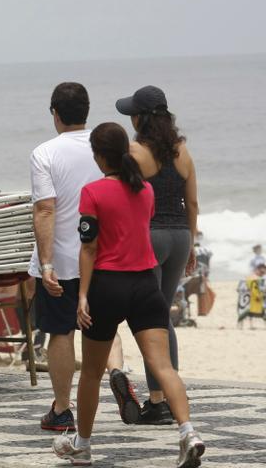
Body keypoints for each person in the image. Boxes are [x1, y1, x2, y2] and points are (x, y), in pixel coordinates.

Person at [53, 122, 204, 468]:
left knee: (91, 373)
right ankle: (188, 433)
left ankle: (83, 445)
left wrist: (82, 296)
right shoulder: (145, 191)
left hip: (108, 286)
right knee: (163, 366)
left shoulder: (91, 192)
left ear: (98, 156)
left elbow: (89, 249)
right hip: (146, 286)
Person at [29, 82, 138, 432]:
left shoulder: (44, 153)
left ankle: (62, 408)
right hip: (103, 256)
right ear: (87, 110)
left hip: (61, 260)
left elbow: (46, 209)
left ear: (55, 113)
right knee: (105, 326)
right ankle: (117, 372)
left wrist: (45, 264)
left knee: (60, 332)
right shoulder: (104, 147)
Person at [117, 85, 199, 425]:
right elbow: (192, 203)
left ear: (140, 118)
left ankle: (158, 399)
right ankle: (165, 395)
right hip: (180, 235)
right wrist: (191, 243)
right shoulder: (183, 151)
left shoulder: (135, 153)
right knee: (162, 314)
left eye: (132, 113)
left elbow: (124, 204)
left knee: (150, 319)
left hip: (150, 237)